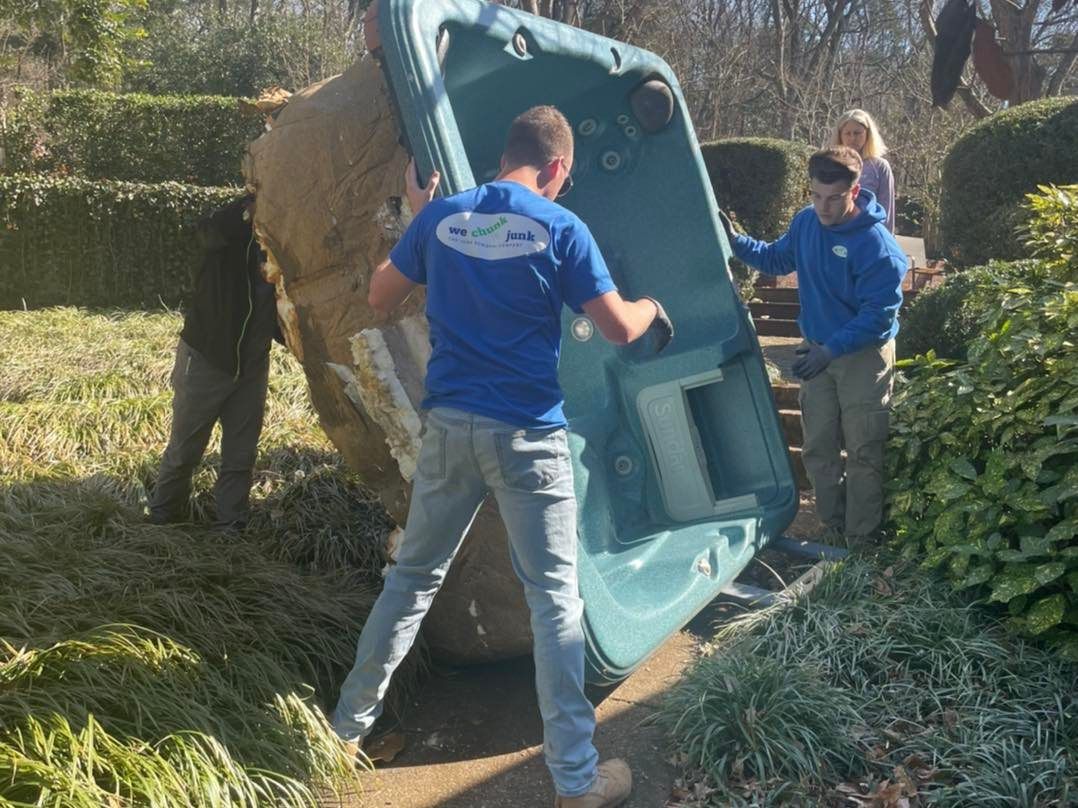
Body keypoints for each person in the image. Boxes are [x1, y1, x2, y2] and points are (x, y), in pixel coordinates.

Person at [331, 105, 672, 808]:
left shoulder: (444, 217)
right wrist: (650, 307)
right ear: (556, 168)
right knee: (554, 603)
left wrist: (423, 221)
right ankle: (575, 781)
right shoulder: (562, 227)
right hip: (527, 438)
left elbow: (380, 294)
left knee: (411, 580)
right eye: (564, 178)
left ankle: (342, 732)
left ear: (506, 156)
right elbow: (617, 329)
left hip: (450, 430)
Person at [719, 146, 907, 548]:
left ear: (854, 191)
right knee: (818, 446)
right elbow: (776, 259)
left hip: (863, 358)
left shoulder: (879, 248)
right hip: (817, 350)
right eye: (816, 195)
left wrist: (831, 350)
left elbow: (879, 317)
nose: (823, 206)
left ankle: (860, 540)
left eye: (833, 198)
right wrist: (735, 241)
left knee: (863, 449)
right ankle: (831, 528)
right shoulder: (806, 222)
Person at [148, 194, 282, 530]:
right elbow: (208, 232)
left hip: (251, 366)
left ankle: (231, 526)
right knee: (185, 451)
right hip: (208, 359)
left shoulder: (284, 250)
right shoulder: (228, 234)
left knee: (240, 455)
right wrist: (248, 209)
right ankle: (162, 519)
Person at [830, 108, 895, 233]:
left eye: (857, 133)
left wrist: (885, 239)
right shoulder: (831, 165)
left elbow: (886, 210)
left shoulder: (880, 167)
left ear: (867, 134)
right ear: (840, 136)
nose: (852, 138)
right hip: (836, 234)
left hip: (868, 234)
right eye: (847, 133)